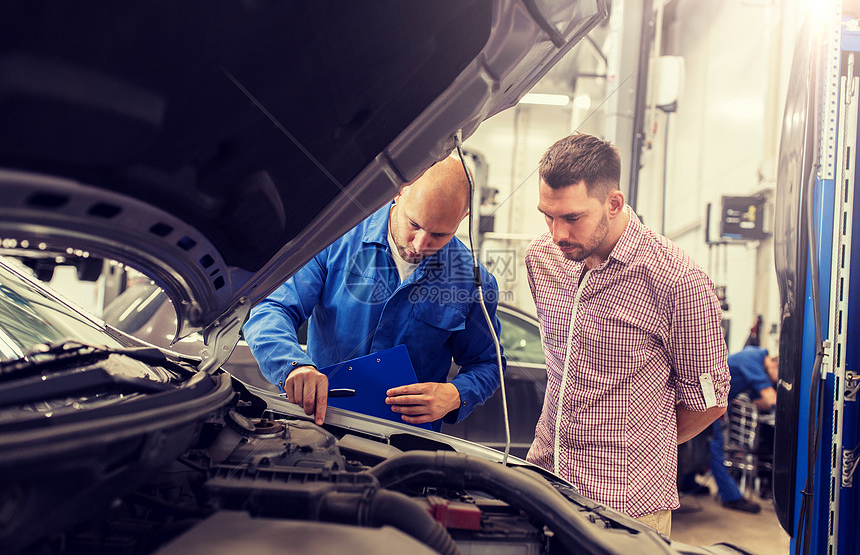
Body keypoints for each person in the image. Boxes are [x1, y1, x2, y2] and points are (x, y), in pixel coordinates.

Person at [524, 133, 730, 536]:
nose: (557, 234)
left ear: (613, 203)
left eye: (572, 218)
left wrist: (636, 447)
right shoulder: (542, 258)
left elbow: (709, 402)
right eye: (548, 216)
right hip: (545, 480)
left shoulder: (677, 281)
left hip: (627, 507)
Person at [243, 156, 505, 430]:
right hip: (318, 427)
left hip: (406, 444)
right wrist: (294, 366)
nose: (420, 244)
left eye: (439, 235)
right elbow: (271, 309)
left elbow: (487, 363)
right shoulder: (335, 238)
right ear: (399, 192)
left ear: (463, 218)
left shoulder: (472, 282)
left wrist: (455, 394)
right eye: (414, 224)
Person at [683, 345, 778, 513]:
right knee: (714, 448)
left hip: (710, 406)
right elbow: (769, 396)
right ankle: (731, 497)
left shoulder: (756, 365)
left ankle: (687, 483)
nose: (775, 382)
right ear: (774, 365)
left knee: (695, 444)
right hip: (707, 405)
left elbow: (759, 401)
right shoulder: (752, 356)